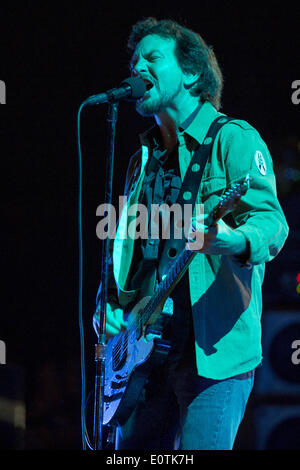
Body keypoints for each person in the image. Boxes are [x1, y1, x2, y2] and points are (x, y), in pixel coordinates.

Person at [93, 17, 289, 450]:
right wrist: (109, 310)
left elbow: (272, 222)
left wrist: (233, 240)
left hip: (212, 356)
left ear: (191, 72)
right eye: (134, 59)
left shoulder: (233, 139)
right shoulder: (140, 164)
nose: (137, 67)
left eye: (152, 57)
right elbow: (128, 258)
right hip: (144, 359)